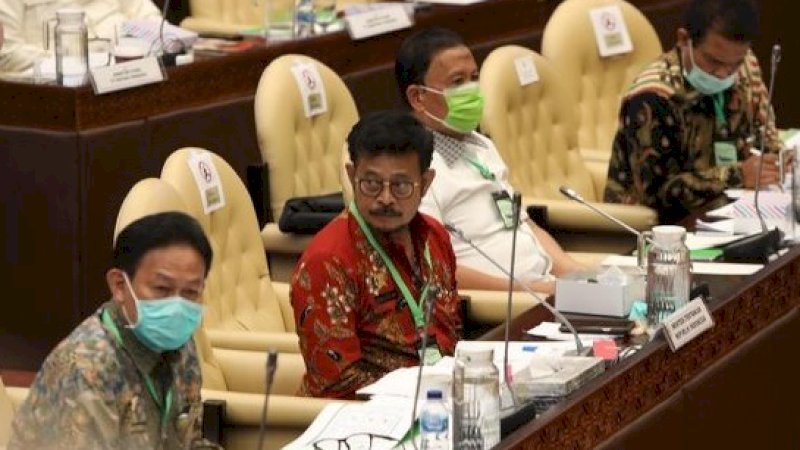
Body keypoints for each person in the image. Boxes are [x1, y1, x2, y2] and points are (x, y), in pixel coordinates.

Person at [395, 27, 584, 295]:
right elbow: (433, 267)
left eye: (474, 78)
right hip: (499, 308)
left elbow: (521, 222)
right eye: (457, 82)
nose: (472, 90)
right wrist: (531, 291)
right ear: (418, 97)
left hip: (544, 291)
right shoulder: (413, 167)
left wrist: (574, 273)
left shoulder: (480, 144)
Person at [8, 212, 218, 449]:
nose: (177, 307)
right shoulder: (86, 370)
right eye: (162, 288)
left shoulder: (180, 344)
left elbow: (187, 442)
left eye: (191, 292)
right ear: (119, 285)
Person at [291, 110, 461, 399]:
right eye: (371, 184)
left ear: (426, 183)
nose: (385, 198)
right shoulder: (328, 260)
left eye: (401, 186)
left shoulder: (435, 236)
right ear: (351, 175)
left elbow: (451, 331)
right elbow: (335, 385)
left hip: (441, 399)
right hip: (369, 421)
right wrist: (421, 393)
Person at [604, 0, 784, 224]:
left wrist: (777, 162)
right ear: (683, 40)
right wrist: (736, 176)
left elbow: (766, 137)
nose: (723, 74)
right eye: (713, 62)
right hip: (659, 231)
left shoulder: (746, 65)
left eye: (734, 65)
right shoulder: (653, 96)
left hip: (735, 212)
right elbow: (656, 194)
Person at [0, 0, 161, 75]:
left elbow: (152, 20)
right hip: (59, 89)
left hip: (132, 72)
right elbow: (7, 53)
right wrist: (73, 63)